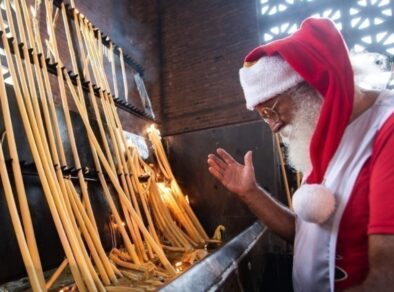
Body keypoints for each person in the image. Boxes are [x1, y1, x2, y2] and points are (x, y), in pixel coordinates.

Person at [207, 17, 394, 292]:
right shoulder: (323, 135)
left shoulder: (386, 130)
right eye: (264, 118)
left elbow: (385, 280)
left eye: (271, 111)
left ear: (311, 85)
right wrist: (251, 193)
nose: (273, 127)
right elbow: (307, 236)